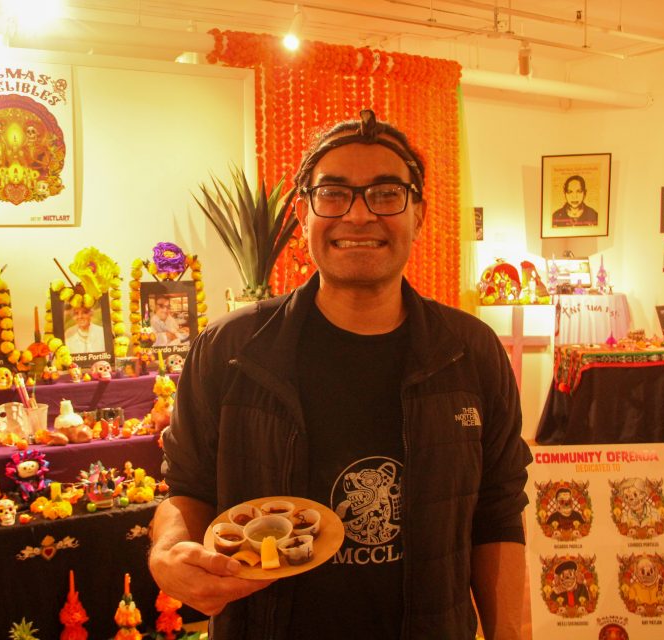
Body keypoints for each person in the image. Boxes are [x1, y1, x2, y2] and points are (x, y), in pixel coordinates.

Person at [149, 110, 531, 639]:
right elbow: (187, 487)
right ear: (305, 213)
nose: (358, 215)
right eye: (334, 194)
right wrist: (167, 551)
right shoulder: (230, 351)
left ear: (418, 213)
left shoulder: (470, 352)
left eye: (386, 193)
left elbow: (499, 510)